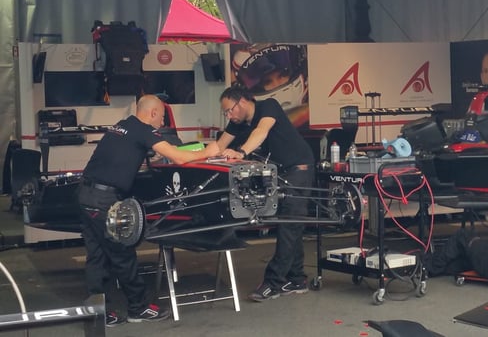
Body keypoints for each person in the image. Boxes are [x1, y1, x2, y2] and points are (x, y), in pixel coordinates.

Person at [76, 95, 219, 326]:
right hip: (104, 200)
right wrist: (209, 151)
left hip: (86, 194)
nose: (162, 122)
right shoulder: (144, 130)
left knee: (97, 255)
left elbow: (125, 155)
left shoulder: (122, 126)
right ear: (152, 113)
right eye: (161, 117)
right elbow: (179, 157)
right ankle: (139, 308)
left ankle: (99, 312)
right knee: (122, 252)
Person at [205, 85, 315, 302]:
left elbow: (261, 132)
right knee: (290, 224)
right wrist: (189, 157)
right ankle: (297, 278)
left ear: (242, 102)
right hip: (280, 172)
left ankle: (273, 282)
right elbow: (218, 146)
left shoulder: (268, 107)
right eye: (225, 113)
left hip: (299, 168)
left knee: (289, 224)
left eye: (229, 110)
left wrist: (241, 152)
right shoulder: (237, 122)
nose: (229, 116)